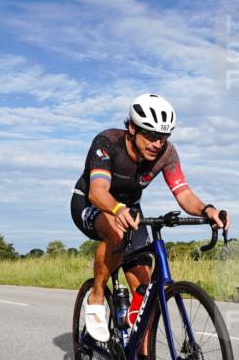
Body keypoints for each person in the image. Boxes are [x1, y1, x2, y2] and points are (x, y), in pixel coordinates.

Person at [71, 94, 229, 343]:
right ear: (132, 128)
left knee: (145, 295)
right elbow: (98, 190)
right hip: (91, 202)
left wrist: (207, 209)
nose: (158, 143)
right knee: (116, 232)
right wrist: (117, 210)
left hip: (131, 208)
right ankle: (97, 296)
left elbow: (184, 193)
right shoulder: (107, 142)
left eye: (164, 136)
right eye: (151, 135)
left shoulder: (167, 153)